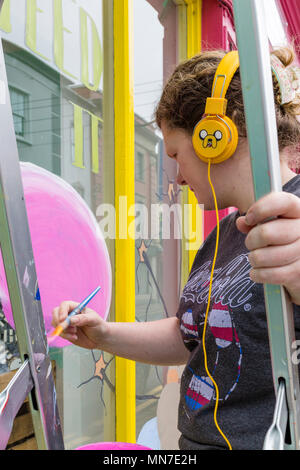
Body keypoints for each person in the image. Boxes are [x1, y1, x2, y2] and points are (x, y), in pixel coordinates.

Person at [52, 46, 300, 450]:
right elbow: (189, 338)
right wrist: (103, 334)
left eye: (175, 154)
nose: (179, 177)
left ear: (214, 137)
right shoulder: (222, 237)